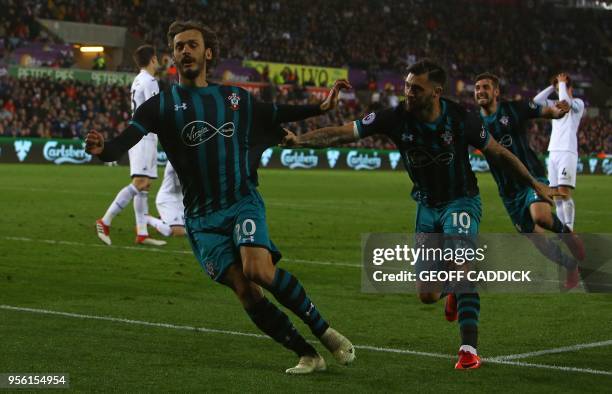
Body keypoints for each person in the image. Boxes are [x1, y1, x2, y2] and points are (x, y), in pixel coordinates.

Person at [86, 20, 355, 374]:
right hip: (201, 219)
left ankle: (326, 333)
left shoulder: (234, 98)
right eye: (179, 46)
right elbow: (120, 144)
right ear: (173, 56)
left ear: (207, 53)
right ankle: (307, 354)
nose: (185, 50)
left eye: (192, 45)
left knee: (258, 270)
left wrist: (319, 108)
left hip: (241, 199)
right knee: (246, 291)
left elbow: (276, 112)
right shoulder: (159, 106)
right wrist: (103, 149)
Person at [283, 60, 560, 370]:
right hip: (426, 206)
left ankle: (468, 349)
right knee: (427, 294)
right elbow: (345, 133)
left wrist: (536, 183)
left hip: (461, 200)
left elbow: (499, 153)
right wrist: (300, 139)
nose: (408, 93)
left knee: (462, 263)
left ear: (436, 92)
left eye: (416, 88)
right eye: (406, 86)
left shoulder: (461, 119)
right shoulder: (395, 117)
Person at [473, 73, 584, 288]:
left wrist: (558, 110)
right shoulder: (473, 122)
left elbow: (547, 111)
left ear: (496, 91)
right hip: (508, 190)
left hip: (532, 176)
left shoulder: (514, 109)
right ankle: (570, 266)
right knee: (534, 237)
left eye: (485, 87)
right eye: (477, 88)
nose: (480, 91)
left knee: (541, 217)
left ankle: (569, 236)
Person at [95, 45, 166, 246]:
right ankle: (105, 221)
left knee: (145, 186)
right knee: (140, 183)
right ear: (152, 59)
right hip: (144, 137)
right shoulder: (150, 81)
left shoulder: (138, 79)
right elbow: (156, 111)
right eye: (157, 57)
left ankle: (142, 233)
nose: (159, 61)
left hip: (143, 136)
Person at [533, 73, 585, 231]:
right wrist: (553, 85)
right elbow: (536, 101)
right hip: (553, 151)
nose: (558, 90)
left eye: (561, 87)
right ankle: (564, 230)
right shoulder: (554, 103)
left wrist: (562, 84)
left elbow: (565, 103)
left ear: (571, 88)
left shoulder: (578, 103)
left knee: (564, 191)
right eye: (557, 89)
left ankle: (569, 227)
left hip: (567, 151)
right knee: (555, 195)